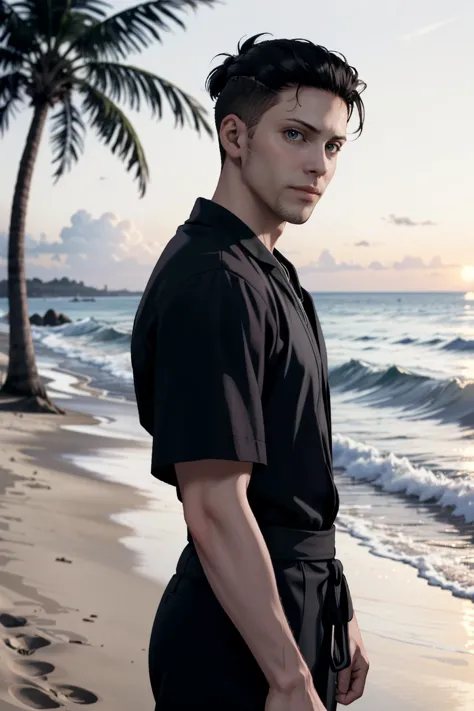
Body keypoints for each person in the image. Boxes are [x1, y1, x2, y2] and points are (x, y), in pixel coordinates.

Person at [131, 33, 370, 711]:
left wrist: (333, 604)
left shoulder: (270, 274)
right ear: (235, 137)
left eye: (332, 145)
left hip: (287, 612)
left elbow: (294, 480)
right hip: (236, 640)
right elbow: (211, 503)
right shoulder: (215, 280)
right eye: (295, 135)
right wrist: (289, 675)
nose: (318, 164)